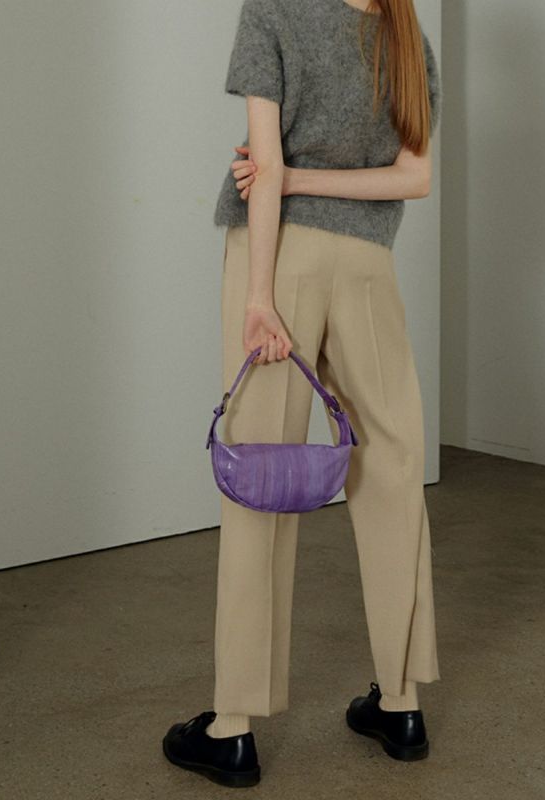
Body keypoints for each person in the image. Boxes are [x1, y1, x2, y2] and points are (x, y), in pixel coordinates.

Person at [162, 0, 442, 787]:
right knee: (392, 468)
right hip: (368, 265)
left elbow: (265, 169)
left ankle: (233, 726)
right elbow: (415, 178)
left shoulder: (273, 11)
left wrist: (260, 296)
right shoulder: (406, 33)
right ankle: (401, 703)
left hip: (280, 259)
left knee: (262, 470)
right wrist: (300, 175)